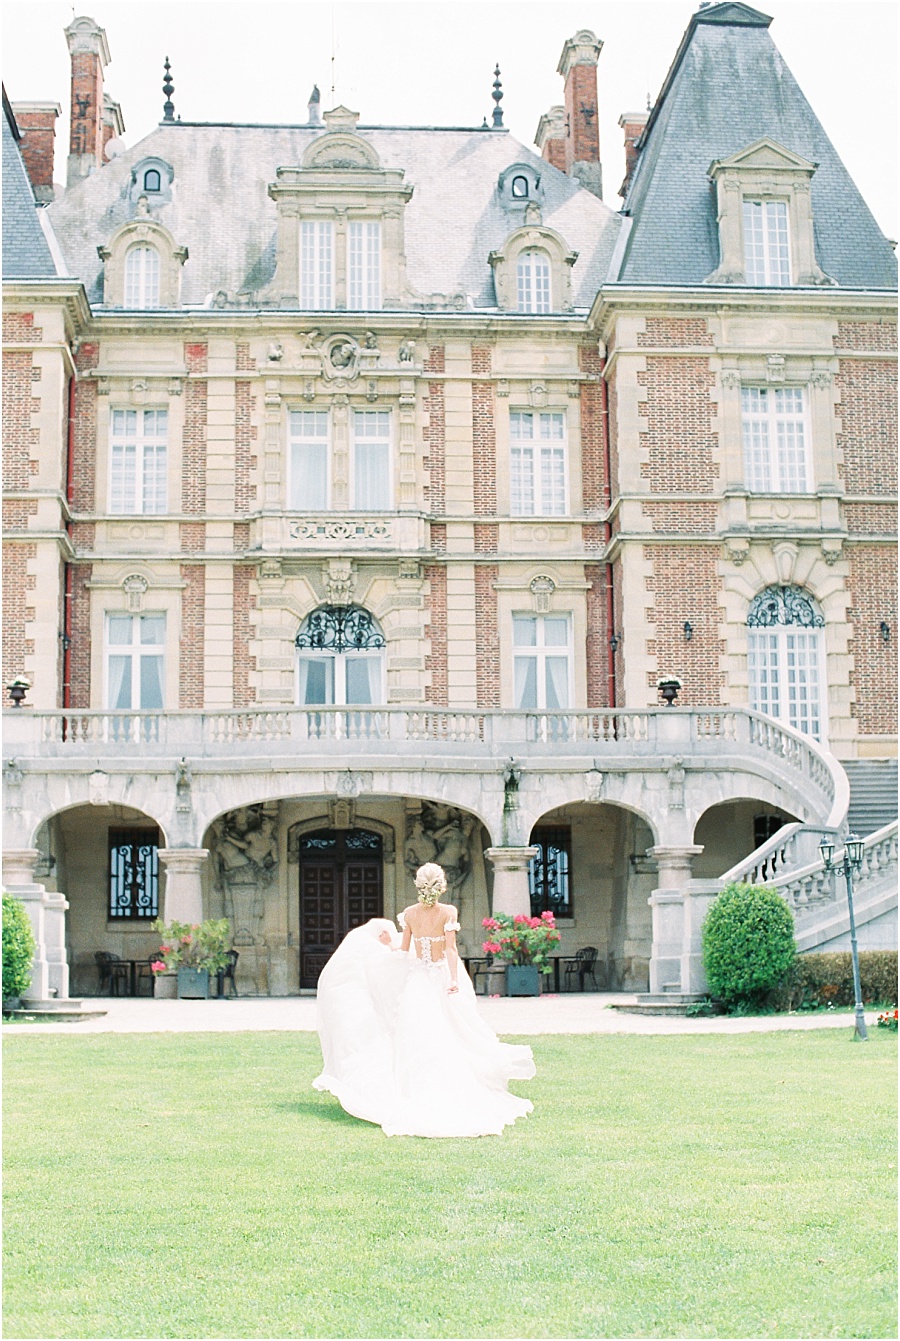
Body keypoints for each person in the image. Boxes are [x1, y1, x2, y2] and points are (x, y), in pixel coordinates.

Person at [313, 863, 535, 1138]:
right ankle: (449, 1090)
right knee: (451, 1032)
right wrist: (453, 980)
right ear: (441, 886)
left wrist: (387, 944)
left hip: (418, 980)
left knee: (418, 1033)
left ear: (419, 886)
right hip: (440, 975)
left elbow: (404, 951)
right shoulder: (448, 912)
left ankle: (418, 1089)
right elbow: (451, 950)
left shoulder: (409, 914)